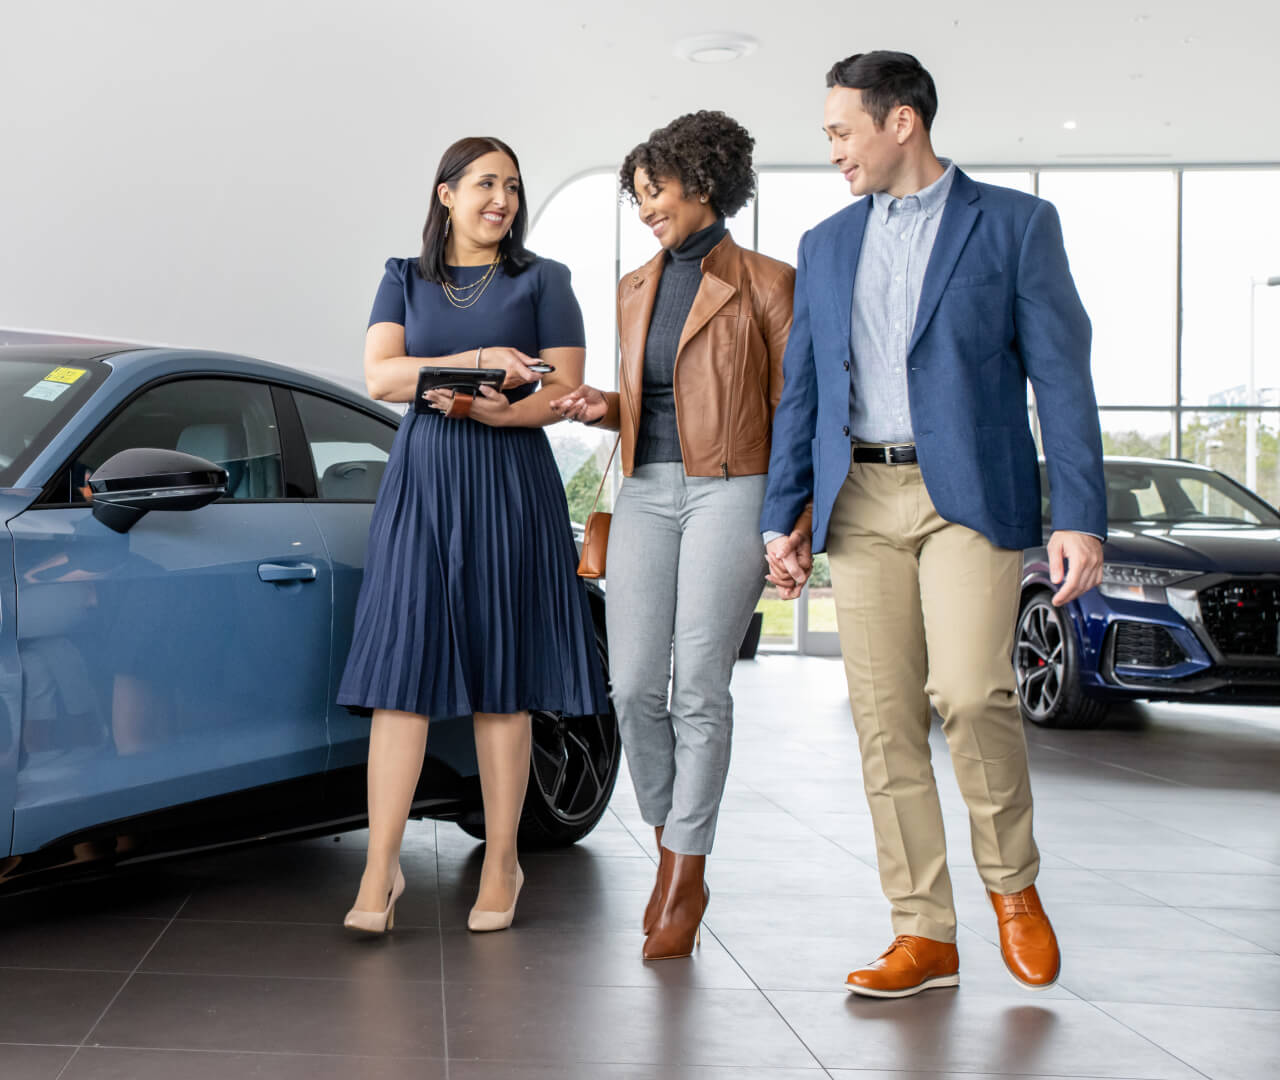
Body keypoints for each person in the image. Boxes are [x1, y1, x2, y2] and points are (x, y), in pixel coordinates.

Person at [762, 51, 1106, 998]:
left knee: (970, 691)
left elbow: (1062, 376)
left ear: (901, 121)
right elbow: (804, 390)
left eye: (842, 130)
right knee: (884, 719)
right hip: (860, 500)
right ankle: (923, 931)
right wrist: (783, 515)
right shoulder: (826, 243)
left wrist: (1079, 515)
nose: (833, 149)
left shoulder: (1016, 225)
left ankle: (1013, 886)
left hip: (969, 496)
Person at [338, 136, 607, 935]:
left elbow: (561, 390)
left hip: (508, 479)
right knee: (401, 674)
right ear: (446, 193)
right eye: (487, 183)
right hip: (424, 482)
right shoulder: (403, 277)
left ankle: (502, 861)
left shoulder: (545, 280)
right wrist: (483, 358)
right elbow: (380, 376)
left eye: (513, 187)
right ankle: (381, 867)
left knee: (503, 677)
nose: (502, 200)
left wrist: (494, 408)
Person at [551, 111, 797, 960]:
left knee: (697, 686)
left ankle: (686, 874)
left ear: (704, 182)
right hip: (647, 490)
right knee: (629, 688)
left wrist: (793, 521)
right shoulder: (634, 287)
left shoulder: (769, 283)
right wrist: (604, 406)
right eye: (637, 196)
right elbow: (656, 400)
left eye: (655, 190)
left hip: (735, 486)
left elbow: (793, 410)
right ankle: (670, 848)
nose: (646, 207)